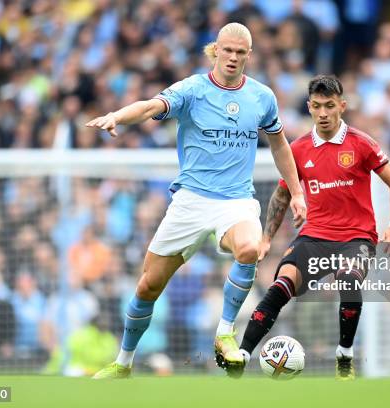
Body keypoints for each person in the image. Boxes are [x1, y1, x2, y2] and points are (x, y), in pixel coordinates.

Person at [86, 22, 306, 379]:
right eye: (227, 50)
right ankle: (123, 362)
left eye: (240, 52)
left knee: (250, 248)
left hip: (236, 201)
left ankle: (224, 333)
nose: (233, 57)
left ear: (249, 55)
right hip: (190, 201)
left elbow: (279, 144)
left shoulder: (262, 97)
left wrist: (297, 191)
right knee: (148, 286)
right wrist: (117, 117)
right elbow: (148, 106)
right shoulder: (192, 89)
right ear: (215, 50)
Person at [231, 75, 390, 379]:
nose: (323, 113)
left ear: (342, 106)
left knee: (348, 278)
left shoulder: (361, 144)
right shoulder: (298, 150)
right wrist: (266, 238)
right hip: (314, 237)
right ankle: (242, 356)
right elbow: (282, 194)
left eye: (329, 106)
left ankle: (344, 355)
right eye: (316, 106)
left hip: (357, 238)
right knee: (280, 286)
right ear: (309, 107)